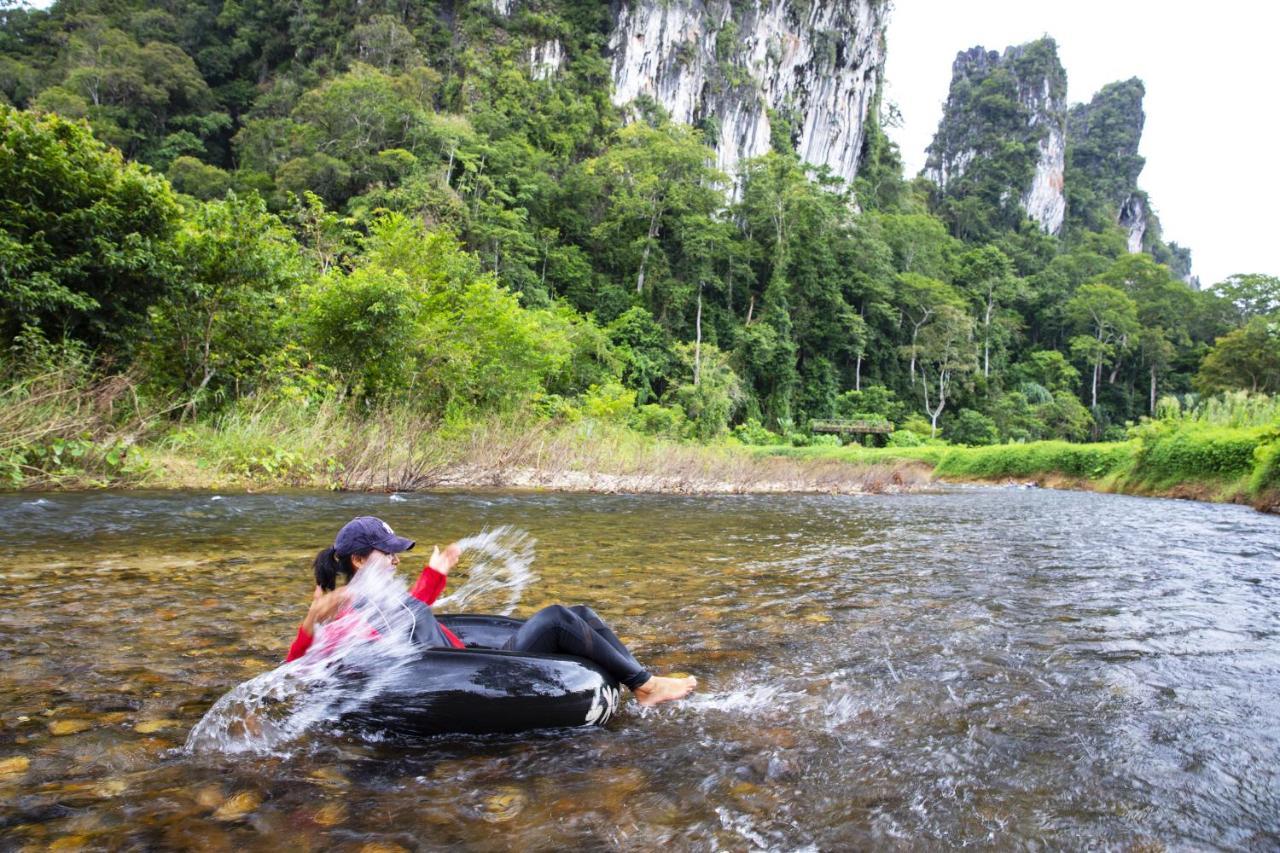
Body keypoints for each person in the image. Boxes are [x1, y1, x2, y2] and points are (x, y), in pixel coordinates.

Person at [286, 516, 696, 707]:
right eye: (388, 553)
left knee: (581, 612)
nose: (396, 560)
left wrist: (436, 573)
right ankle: (645, 685)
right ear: (359, 560)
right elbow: (298, 669)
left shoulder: (378, 595)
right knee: (556, 618)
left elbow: (413, 614)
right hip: (471, 675)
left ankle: (644, 686)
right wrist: (310, 622)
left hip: (466, 659)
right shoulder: (341, 612)